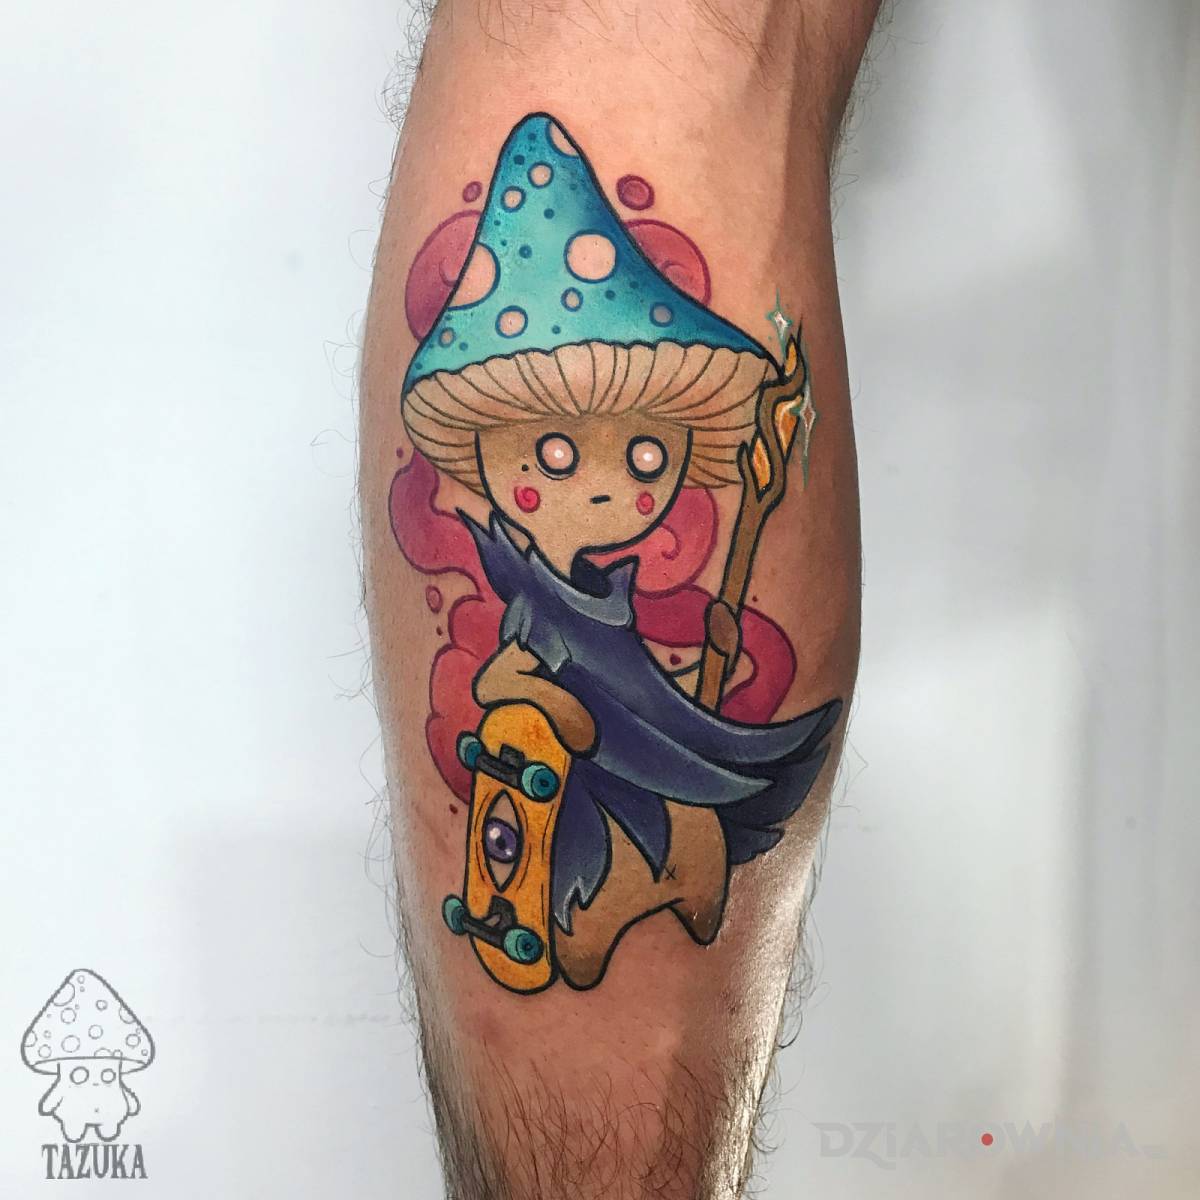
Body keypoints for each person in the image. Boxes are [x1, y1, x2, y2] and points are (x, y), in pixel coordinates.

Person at [360, 2, 878, 1195]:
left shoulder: (609, 585)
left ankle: (669, 865)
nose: (601, 489)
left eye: (644, 458)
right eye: (550, 454)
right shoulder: (521, 585)